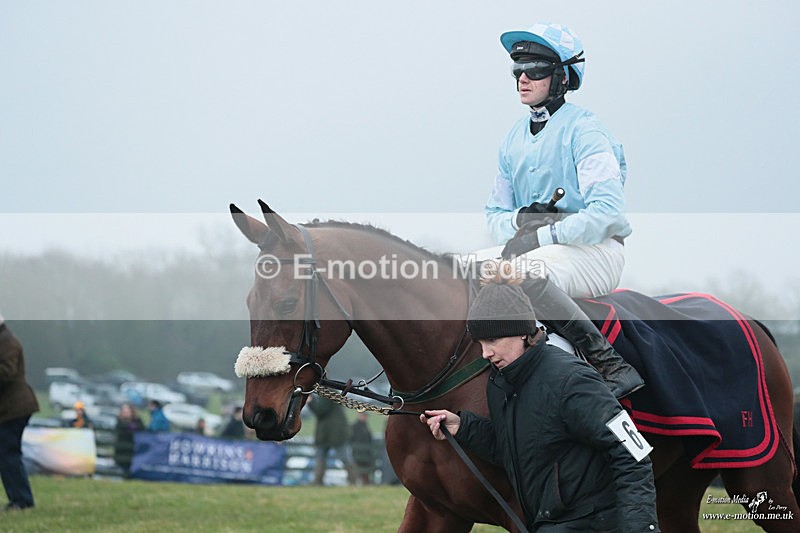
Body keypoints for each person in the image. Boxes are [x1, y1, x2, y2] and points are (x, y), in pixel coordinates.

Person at [420, 271, 659, 532]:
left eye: (492, 340)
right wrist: (463, 427)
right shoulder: (500, 384)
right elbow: (517, 451)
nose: (485, 353)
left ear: (522, 332)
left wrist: (639, 528)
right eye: (479, 342)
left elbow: (633, 455)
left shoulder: (573, 380)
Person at [484, 22, 643, 399]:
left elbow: (606, 213)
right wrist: (521, 220)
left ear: (561, 77)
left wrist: (543, 233)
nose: (523, 78)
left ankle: (608, 363)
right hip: (538, 250)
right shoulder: (512, 139)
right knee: (455, 269)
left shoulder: (587, 131)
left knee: (518, 273)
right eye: (517, 70)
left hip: (596, 252)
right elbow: (494, 214)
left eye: (534, 70)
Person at [0, 315, 39, 511]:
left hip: (14, 409)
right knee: (7, 454)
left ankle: (22, 500)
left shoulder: (7, 342)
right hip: (9, 409)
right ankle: (19, 499)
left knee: (8, 454)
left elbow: (6, 373)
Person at [307, 395, 356, 485]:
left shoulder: (326, 394)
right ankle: (353, 481)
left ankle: (318, 481)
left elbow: (320, 411)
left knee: (323, 457)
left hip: (331, 433)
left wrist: (311, 401)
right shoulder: (333, 393)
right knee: (343, 458)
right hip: (334, 432)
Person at [113, 403, 144, 477]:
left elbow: (142, 429)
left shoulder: (137, 421)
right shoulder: (119, 422)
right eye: (124, 412)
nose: (126, 414)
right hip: (121, 449)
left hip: (133, 449)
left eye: (127, 412)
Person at [349, 412, 375, 485]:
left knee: (365, 474)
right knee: (358, 472)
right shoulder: (354, 426)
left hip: (366, 454)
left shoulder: (366, 426)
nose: (365, 417)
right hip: (357, 454)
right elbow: (351, 440)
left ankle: (365, 484)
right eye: (363, 415)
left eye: (365, 416)